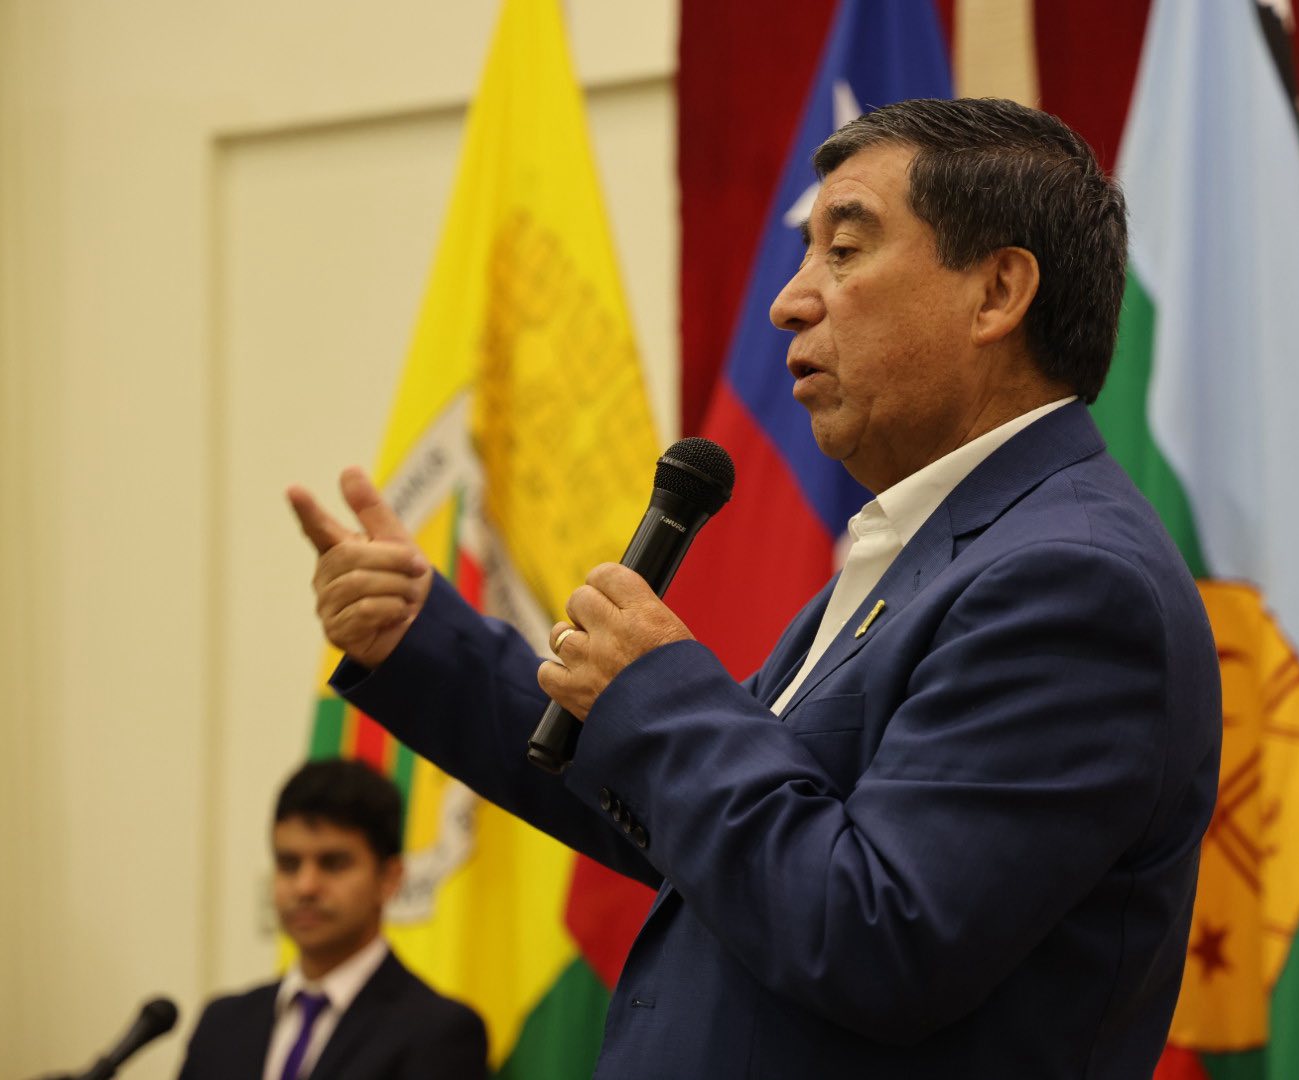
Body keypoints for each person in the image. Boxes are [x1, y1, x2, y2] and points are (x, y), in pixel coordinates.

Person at [289, 97, 1221, 1078]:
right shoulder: (934, 551)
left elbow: (878, 934)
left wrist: (658, 691)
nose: (790, 300)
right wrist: (421, 638)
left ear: (997, 293)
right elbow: (711, 829)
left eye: (844, 250)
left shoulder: (1072, 583)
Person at [177, 759, 487, 1080]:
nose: (305, 886)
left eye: (333, 863)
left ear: (389, 879)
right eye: (289, 864)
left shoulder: (437, 1033)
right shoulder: (222, 1025)